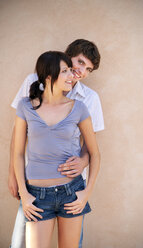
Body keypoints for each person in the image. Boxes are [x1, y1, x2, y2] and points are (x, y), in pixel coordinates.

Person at [8, 39, 104, 248]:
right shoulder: (32, 83)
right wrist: (16, 180)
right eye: (78, 63)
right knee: (19, 242)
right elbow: (18, 138)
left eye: (87, 69)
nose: (80, 71)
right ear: (66, 58)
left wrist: (83, 162)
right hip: (34, 185)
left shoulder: (86, 101)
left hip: (71, 187)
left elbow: (91, 146)